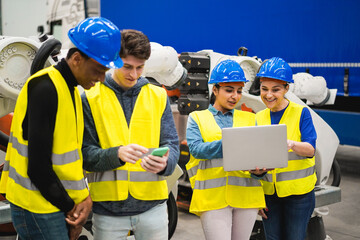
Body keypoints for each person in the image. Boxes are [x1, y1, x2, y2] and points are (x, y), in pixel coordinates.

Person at [0, 17, 123, 240]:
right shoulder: (44, 88)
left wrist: (83, 198)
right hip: (38, 206)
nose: (101, 78)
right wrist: (72, 208)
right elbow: (38, 167)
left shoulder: (71, 89)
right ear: (76, 58)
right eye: (98, 69)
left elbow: (67, 159)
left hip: (52, 202)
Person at [81, 29, 180, 240]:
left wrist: (166, 164)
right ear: (114, 60)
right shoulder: (90, 97)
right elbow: (85, 155)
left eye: (140, 68)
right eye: (127, 67)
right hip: (108, 212)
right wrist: (116, 154)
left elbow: (171, 144)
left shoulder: (158, 95)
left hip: (153, 208)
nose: (133, 75)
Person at [186, 59, 266, 240]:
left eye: (239, 91)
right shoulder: (197, 118)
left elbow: (257, 156)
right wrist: (231, 143)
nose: (235, 96)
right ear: (215, 90)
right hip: (213, 199)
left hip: (247, 197)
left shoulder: (250, 118)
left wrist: (259, 173)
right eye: (229, 90)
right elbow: (197, 149)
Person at [255, 57, 317, 240]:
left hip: (298, 195)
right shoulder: (258, 117)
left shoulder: (301, 113)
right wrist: (256, 197)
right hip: (269, 194)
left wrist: (291, 144)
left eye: (276, 90)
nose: (269, 95)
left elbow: (311, 149)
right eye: (264, 89)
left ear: (286, 89)